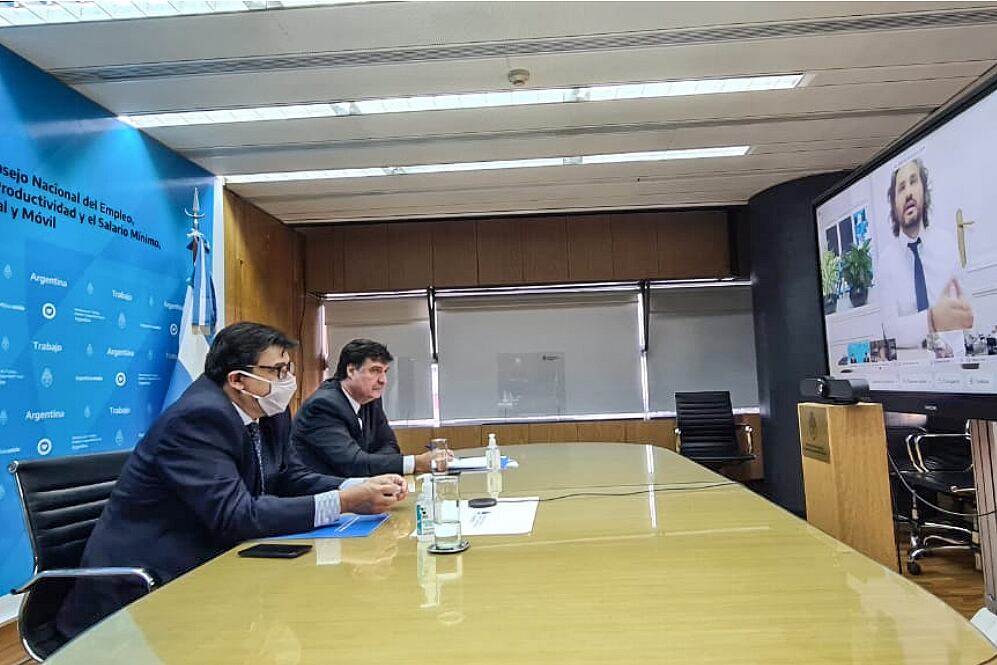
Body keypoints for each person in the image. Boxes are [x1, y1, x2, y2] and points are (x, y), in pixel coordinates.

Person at [56, 322, 406, 640]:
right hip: (144, 592)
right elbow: (236, 516)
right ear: (237, 379)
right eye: (278, 370)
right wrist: (343, 503)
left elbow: (288, 476)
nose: (289, 380)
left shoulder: (268, 407)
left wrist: (354, 489)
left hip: (216, 568)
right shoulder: (198, 418)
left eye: (290, 369)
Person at [292, 339, 439, 477]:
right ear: (351, 371)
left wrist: (367, 462)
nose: (383, 380)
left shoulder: (370, 398)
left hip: (360, 487)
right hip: (321, 495)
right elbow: (352, 464)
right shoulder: (324, 406)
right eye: (375, 370)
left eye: (384, 371)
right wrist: (416, 463)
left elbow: (390, 445)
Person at [879, 157, 974, 348]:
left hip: (953, 369)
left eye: (913, 182)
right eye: (901, 187)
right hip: (911, 373)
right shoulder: (886, 262)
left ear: (923, 190)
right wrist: (932, 319)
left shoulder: (946, 244)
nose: (908, 193)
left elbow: (963, 314)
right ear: (894, 203)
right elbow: (890, 331)